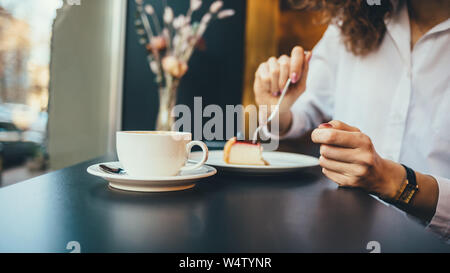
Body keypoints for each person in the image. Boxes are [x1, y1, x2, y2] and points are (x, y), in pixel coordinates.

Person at [254, 0, 449, 241]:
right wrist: (278, 112)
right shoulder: (351, 22)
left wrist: (395, 182)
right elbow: (303, 111)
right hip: (342, 236)